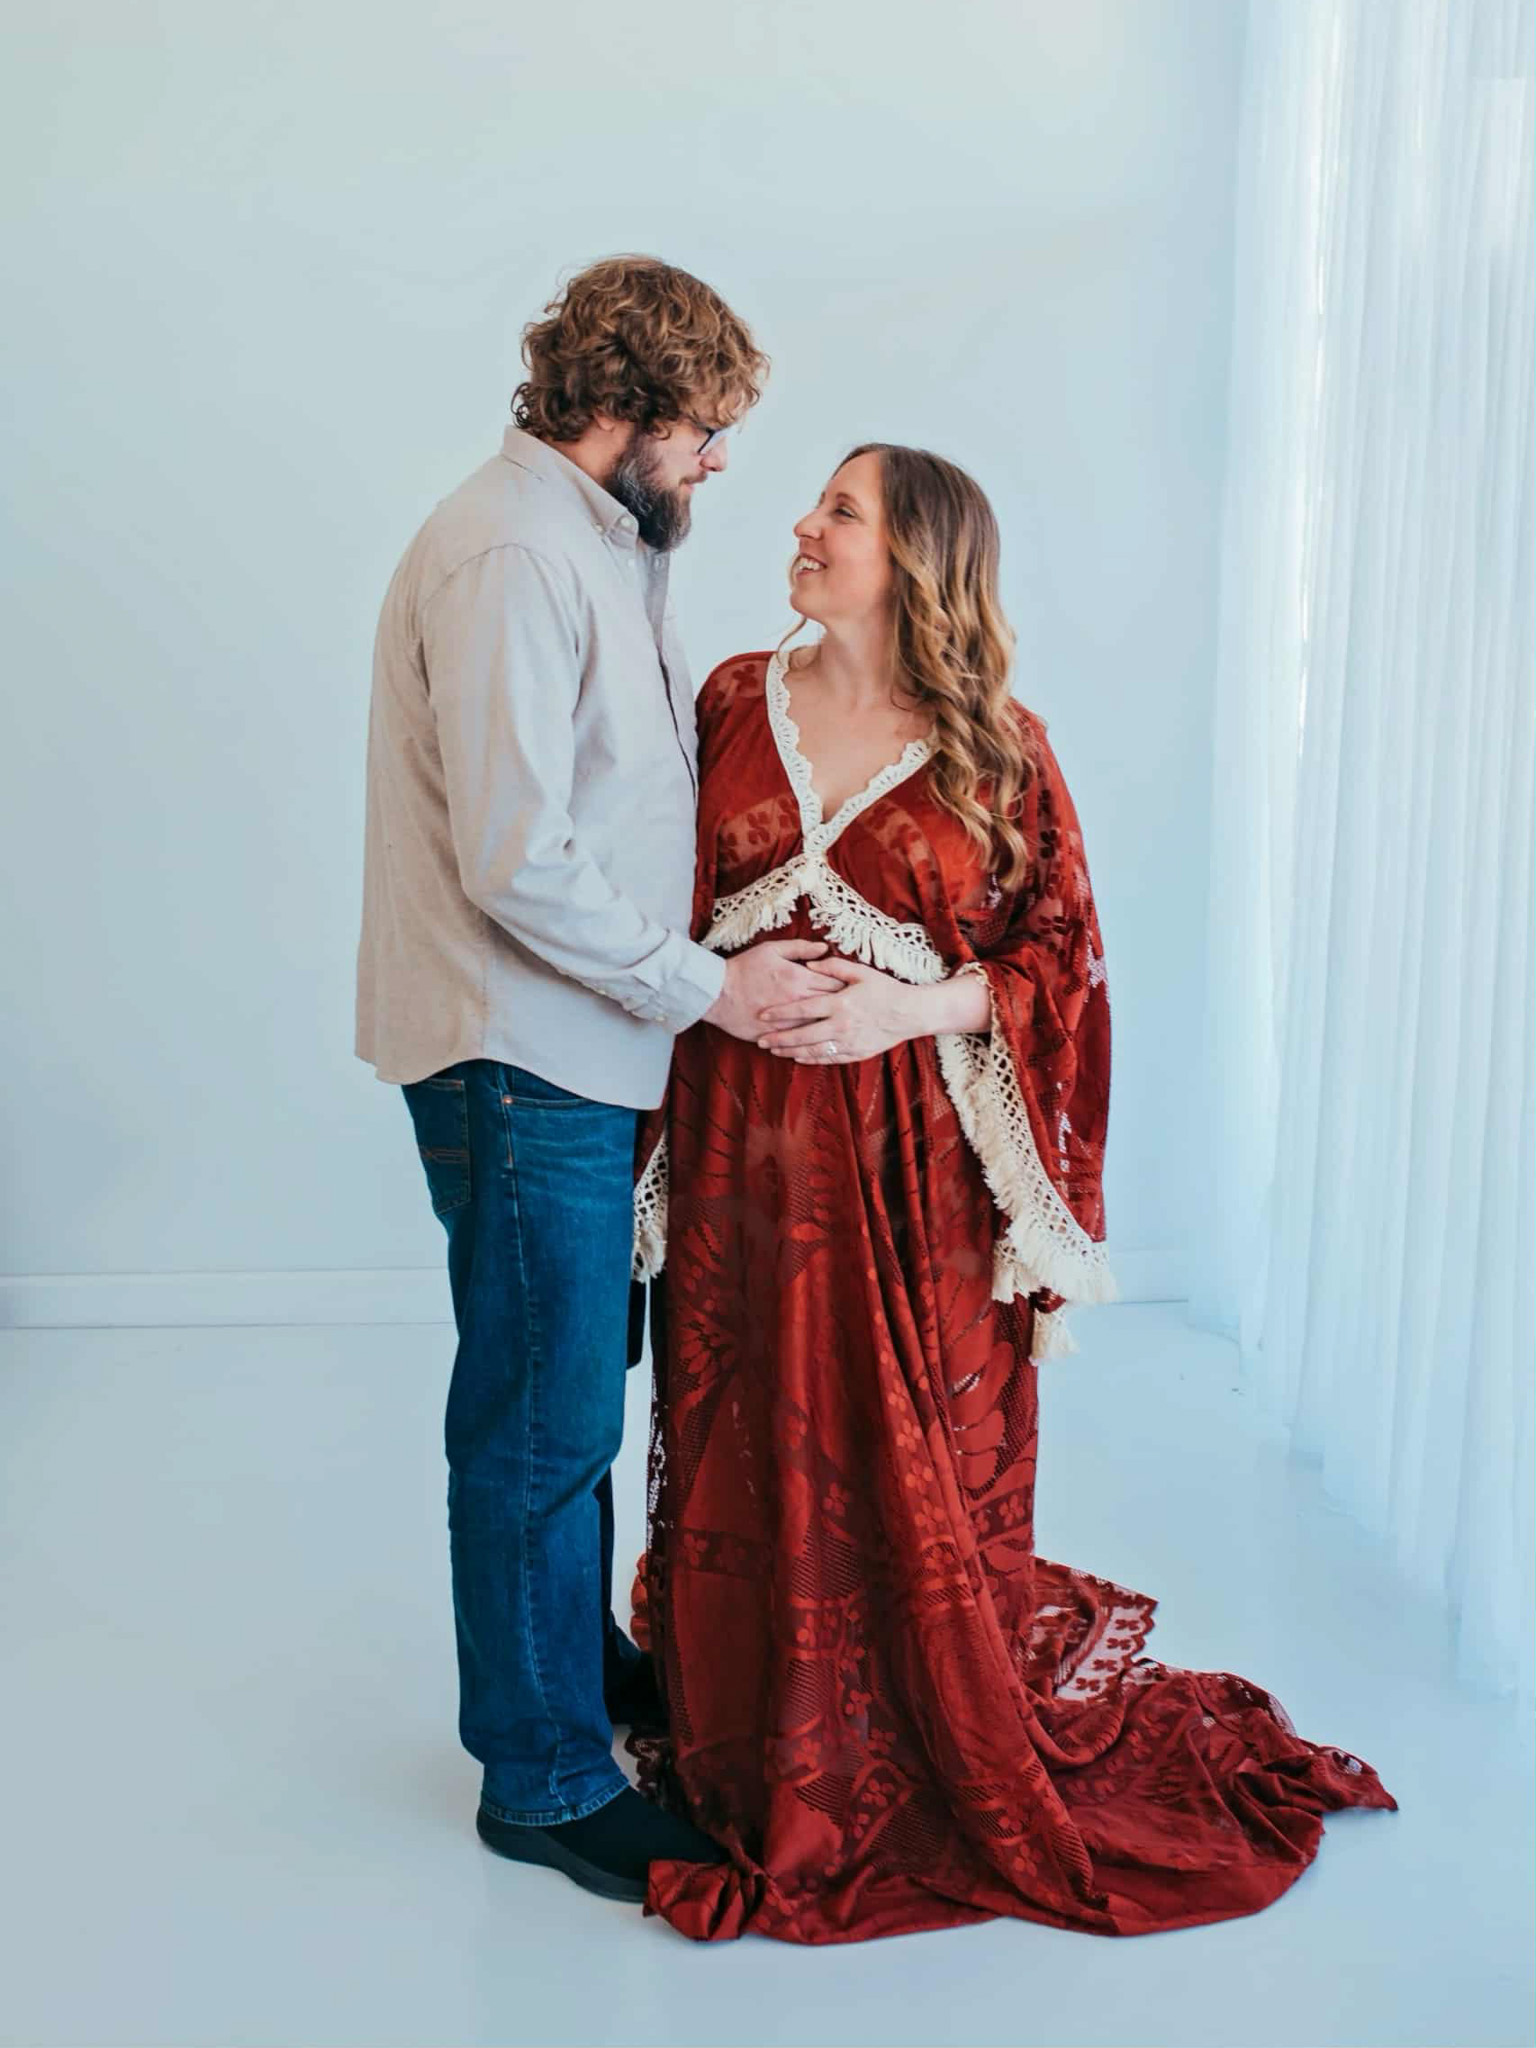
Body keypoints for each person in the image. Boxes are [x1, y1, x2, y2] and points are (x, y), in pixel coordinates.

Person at [629, 443, 1395, 1942]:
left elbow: (1067, 968)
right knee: (739, 1442)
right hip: (731, 1175)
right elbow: (648, 907)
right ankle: (753, 1743)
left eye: (835, 512)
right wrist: (721, 986)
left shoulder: (1000, 752)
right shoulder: (728, 698)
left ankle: (902, 1740)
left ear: (913, 558)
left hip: (917, 1196)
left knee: (901, 1464)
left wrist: (902, 1012)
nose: (800, 524)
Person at [354, 256, 842, 1904]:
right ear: (627, 411)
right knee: (540, 1423)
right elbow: (516, 859)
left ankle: (578, 1685)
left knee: (575, 1401)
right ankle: (545, 1780)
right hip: (520, 1059)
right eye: (707, 431)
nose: (718, 466)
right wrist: (716, 994)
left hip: (582, 1053)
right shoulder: (510, 553)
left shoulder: (598, 541)